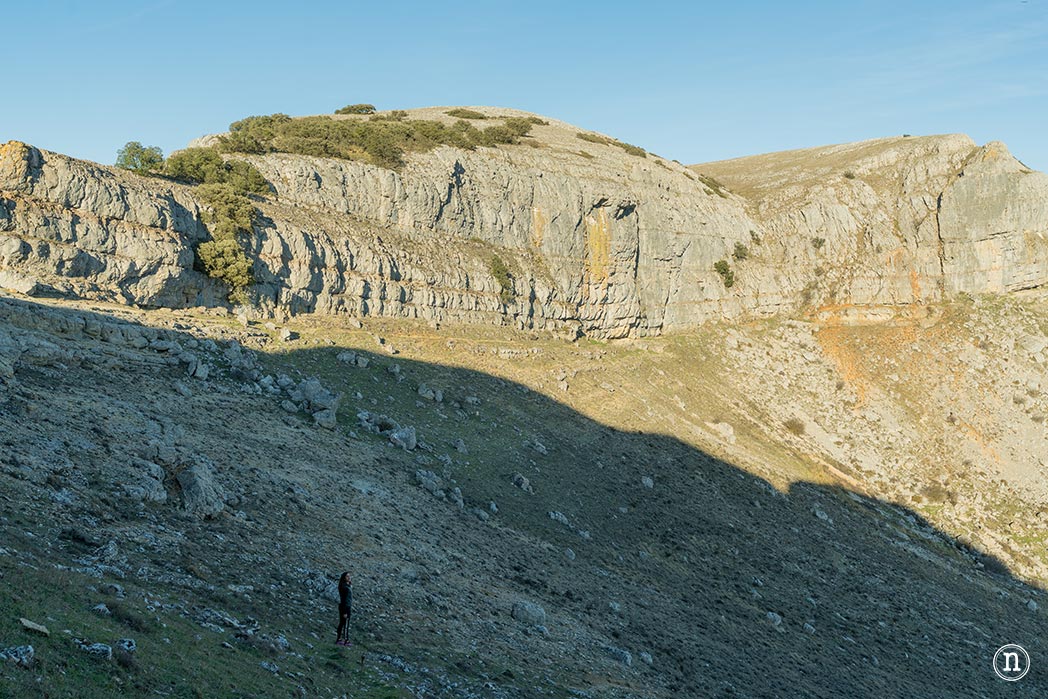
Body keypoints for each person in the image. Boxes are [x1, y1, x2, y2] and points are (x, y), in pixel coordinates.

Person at [336, 571, 352, 646]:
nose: (349, 578)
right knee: (345, 624)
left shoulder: (346, 586)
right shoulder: (344, 587)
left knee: (342, 623)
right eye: (347, 576)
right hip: (345, 607)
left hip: (344, 606)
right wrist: (345, 611)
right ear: (344, 578)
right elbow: (344, 599)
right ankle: (346, 640)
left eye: (349, 576)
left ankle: (339, 639)